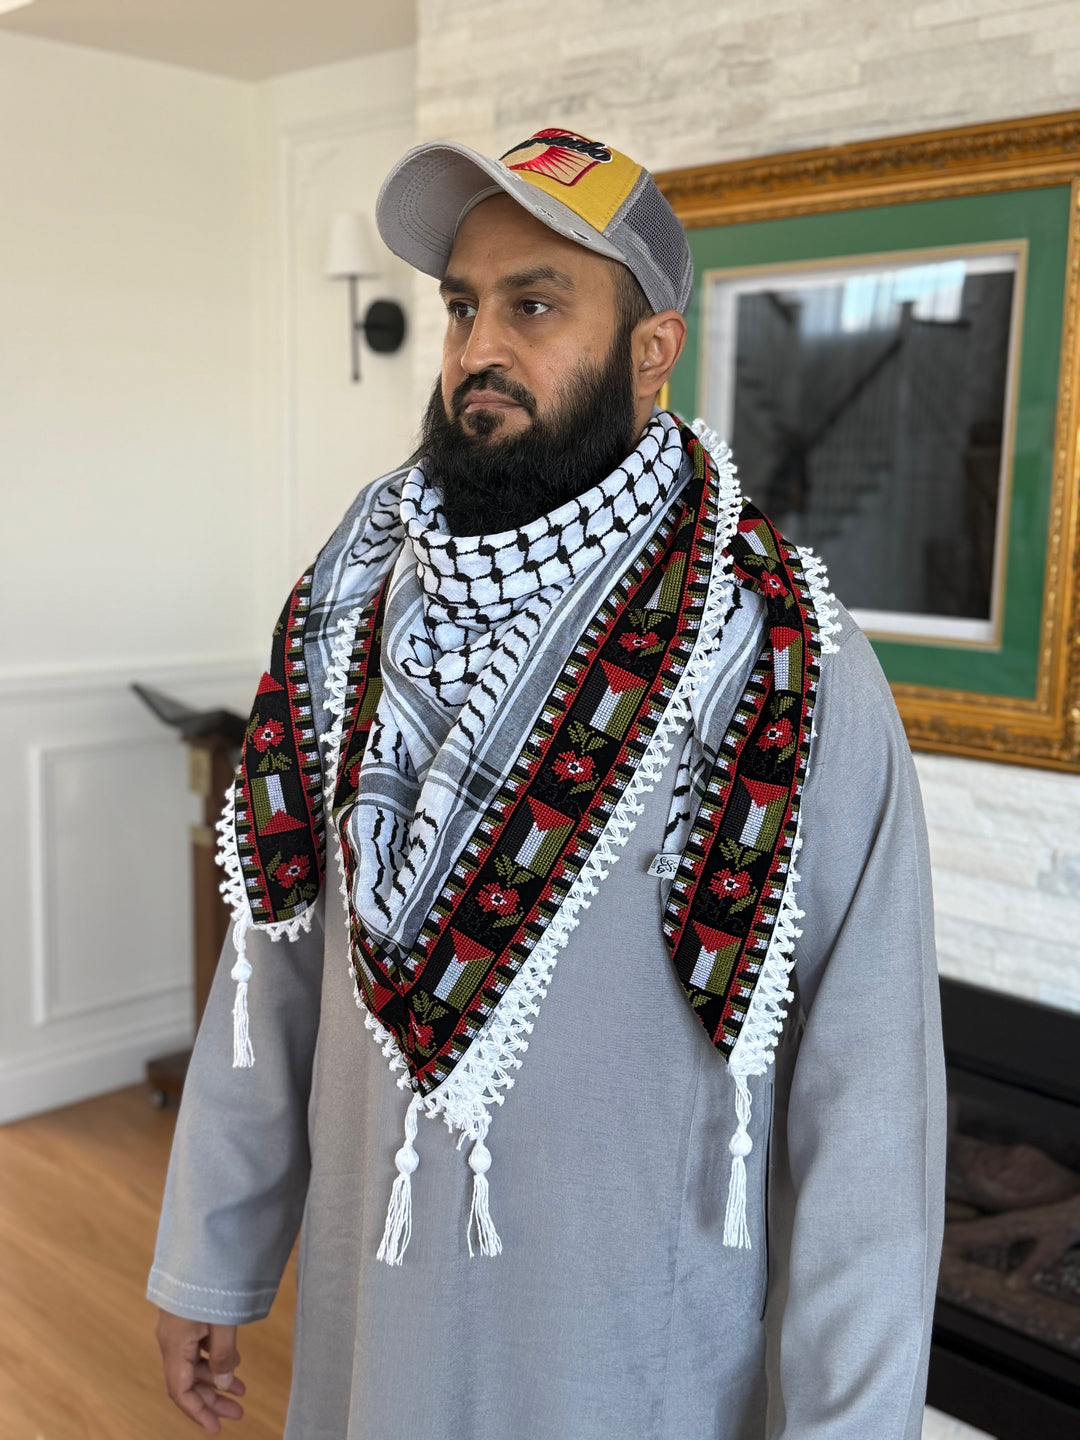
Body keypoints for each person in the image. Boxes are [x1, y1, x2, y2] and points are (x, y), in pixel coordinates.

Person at [150, 128, 946, 1440]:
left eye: (534, 305)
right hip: (369, 1364)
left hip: (642, 1381)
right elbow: (277, 962)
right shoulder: (347, 610)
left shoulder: (780, 655)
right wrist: (210, 1254)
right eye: (463, 306)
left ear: (652, 348)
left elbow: (872, 1100)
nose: (476, 351)